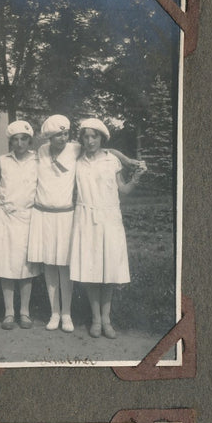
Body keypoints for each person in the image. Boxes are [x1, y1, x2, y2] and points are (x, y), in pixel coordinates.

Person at [67, 117, 146, 339]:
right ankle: (96, 319)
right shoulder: (77, 161)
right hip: (85, 218)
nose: (90, 141)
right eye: (86, 136)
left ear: (102, 138)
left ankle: (107, 319)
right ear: (81, 139)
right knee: (90, 269)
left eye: (95, 136)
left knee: (109, 269)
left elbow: (124, 190)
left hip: (110, 218)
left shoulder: (112, 160)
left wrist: (136, 178)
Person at [0, 120, 39, 330]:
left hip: (27, 217)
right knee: (6, 264)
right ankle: (9, 312)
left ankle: (25, 312)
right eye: (15, 140)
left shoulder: (38, 160)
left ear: (30, 141)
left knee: (26, 266)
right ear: (10, 142)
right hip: (4, 217)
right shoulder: (3, 160)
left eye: (24, 139)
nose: (20, 144)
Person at [26, 114, 79, 331]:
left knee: (64, 267)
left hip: (65, 216)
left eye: (66, 134)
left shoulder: (75, 149)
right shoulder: (41, 151)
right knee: (49, 265)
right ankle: (54, 313)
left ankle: (67, 314)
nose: (63, 138)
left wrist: (126, 160)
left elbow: (105, 150)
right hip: (43, 216)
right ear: (49, 136)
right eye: (58, 135)